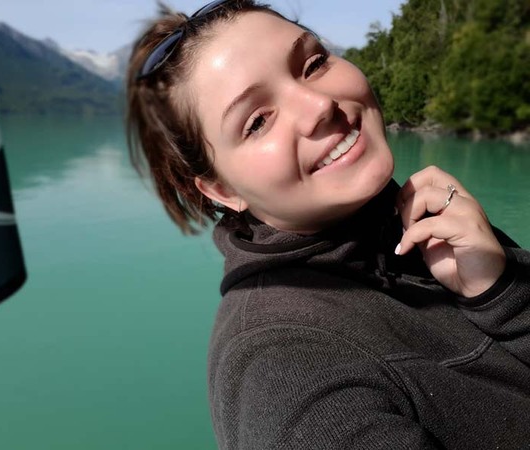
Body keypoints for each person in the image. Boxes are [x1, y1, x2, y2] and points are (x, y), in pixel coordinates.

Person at [126, 1, 530, 448]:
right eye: (257, 122)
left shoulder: (424, 231)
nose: (319, 105)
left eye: (313, 64)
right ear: (222, 190)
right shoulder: (282, 367)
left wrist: (500, 294)